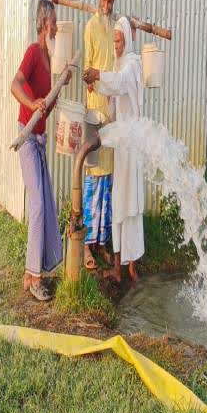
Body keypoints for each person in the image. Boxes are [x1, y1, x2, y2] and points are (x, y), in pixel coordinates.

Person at [10, 0, 71, 301]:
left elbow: (50, 101)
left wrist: (62, 83)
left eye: (57, 22)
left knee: (45, 204)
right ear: (43, 23)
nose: (57, 27)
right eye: (54, 22)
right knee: (36, 206)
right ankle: (35, 279)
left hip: (41, 139)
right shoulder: (34, 54)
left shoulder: (52, 60)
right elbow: (15, 85)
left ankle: (31, 272)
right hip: (27, 139)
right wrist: (30, 103)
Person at [83, 16, 145, 282]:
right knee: (121, 203)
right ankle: (122, 266)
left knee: (130, 205)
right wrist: (100, 89)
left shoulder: (132, 64)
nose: (116, 46)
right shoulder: (121, 66)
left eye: (119, 41)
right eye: (114, 41)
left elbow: (119, 83)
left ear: (127, 40)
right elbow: (113, 105)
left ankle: (130, 267)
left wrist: (98, 75)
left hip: (131, 148)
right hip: (122, 150)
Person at [82, 0, 117, 272]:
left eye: (110, 0)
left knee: (108, 179)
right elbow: (88, 69)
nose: (106, 5)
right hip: (95, 110)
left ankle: (102, 241)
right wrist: (91, 79)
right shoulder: (91, 27)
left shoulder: (115, 27)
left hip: (112, 110)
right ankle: (86, 246)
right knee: (93, 175)